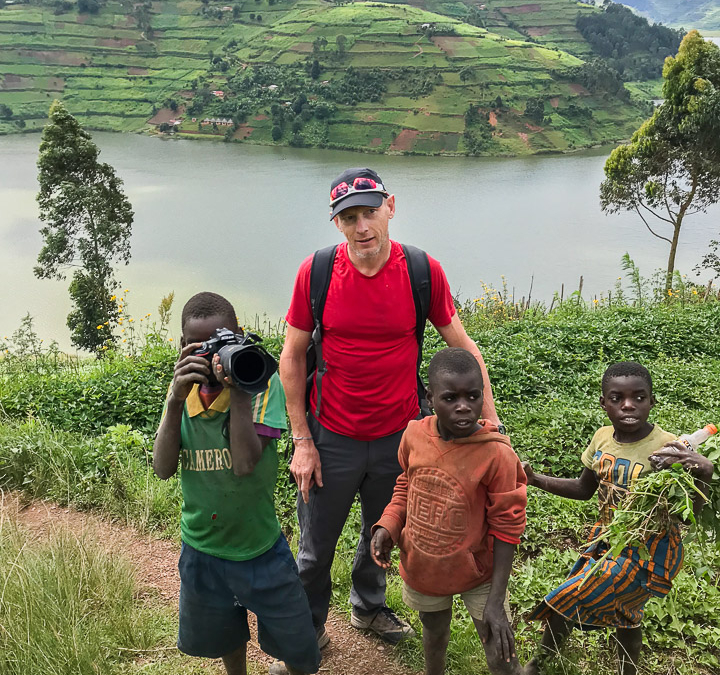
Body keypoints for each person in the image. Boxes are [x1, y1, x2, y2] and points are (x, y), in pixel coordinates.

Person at [279, 167, 501, 649]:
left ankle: (368, 607)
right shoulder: (315, 272)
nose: (363, 227)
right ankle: (307, 631)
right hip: (330, 436)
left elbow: (464, 349)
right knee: (315, 550)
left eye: (371, 212)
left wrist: (491, 420)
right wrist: (301, 441)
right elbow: (292, 357)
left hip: (400, 438)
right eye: (350, 217)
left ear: (391, 207)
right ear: (336, 223)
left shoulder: (422, 270)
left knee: (382, 532)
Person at [153, 292, 320, 675]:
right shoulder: (182, 391)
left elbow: (245, 464)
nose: (213, 357)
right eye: (201, 347)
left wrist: (241, 389)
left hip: (259, 546)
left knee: (297, 645)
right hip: (202, 548)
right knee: (226, 636)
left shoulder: (261, 382)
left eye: (223, 342)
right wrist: (176, 400)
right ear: (183, 348)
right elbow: (163, 468)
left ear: (240, 335)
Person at [522, 361, 714, 675]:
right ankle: (550, 662)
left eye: (639, 397)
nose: (628, 404)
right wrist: (536, 479)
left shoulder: (669, 448)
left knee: (569, 594)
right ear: (603, 403)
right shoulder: (601, 439)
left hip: (649, 550)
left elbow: (687, 516)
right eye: (616, 398)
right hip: (607, 540)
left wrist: (703, 472)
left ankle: (537, 665)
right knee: (626, 612)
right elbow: (584, 488)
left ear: (652, 401)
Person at [370, 347, 526, 675]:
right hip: (426, 565)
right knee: (434, 631)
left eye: (473, 396)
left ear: (483, 395)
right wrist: (389, 524)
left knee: (498, 644)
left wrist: (496, 602)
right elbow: (406, 486)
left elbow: (508, 527)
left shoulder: (496, 454)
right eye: (450, 397)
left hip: (481, 573)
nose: (463, 407)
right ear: (430, 397)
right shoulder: (414, 436)